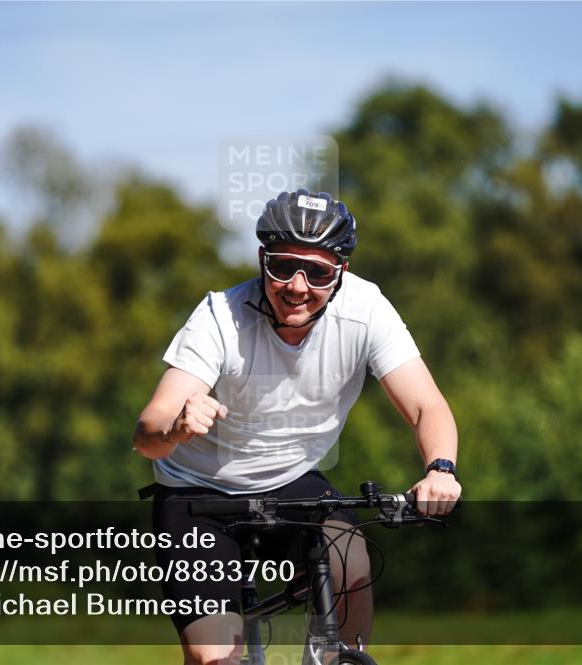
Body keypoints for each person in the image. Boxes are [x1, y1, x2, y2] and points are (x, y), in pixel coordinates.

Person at [133, 189, 461, 665]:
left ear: (341, 274)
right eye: (283, 267)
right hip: (196, 493)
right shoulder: (220, 317)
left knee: (351, 558)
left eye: (320, 272)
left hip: (292, 479)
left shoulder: (366, 309)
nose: (298, 286)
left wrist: (441, 468)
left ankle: (333, 659)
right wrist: (177, 429)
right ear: (263, 260)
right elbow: (147, 433)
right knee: (215, 658)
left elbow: (426, 405)